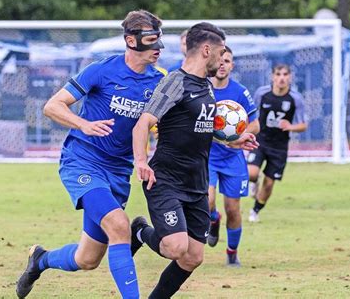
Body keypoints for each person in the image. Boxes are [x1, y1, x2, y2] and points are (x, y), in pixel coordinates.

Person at [15, 10, 165, 299]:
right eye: (150, 41)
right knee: (120, 227)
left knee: (87, 259)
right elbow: (53, 106)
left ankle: (40, 260)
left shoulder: (159, 81)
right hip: (83, 161)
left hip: (119, 171)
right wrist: (84, 123)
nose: (157, 48)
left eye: (159, 41)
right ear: (131, 41)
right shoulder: (101, 70)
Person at [130, 22, 258, 298]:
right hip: (166, 179)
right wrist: (141, 161)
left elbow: (199, 127)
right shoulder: (176, 82)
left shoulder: (206, 86)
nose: (223, 60)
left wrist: (232, 140)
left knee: (193, 257)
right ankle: (140, 231)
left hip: (196, 183)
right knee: (175, 248)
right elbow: (143, 123)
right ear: (207, 50)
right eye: (221, 53)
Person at [206, 46, 260, 266]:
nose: (222, 64)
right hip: (208, 157)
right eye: (220, 60)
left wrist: (244, 134)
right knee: (207, 202)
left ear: (232, 65)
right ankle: (213, 220)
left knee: (233, 209)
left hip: (232, 159)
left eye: (227, 61)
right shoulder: (203, 89)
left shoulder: (240, 92)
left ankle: (232, 253)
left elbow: (255, 123)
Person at [247, 64, 308, 223]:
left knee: (268, 185)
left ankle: (255, 210)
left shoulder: (295, 98)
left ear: (290, 77)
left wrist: (290, 126)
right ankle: (254, 183)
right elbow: (251, 114)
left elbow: (303, 125)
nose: (282, 78)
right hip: (260, 141)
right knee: (251, 173)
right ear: (273, 77)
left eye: (285, 74)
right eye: (278, 74)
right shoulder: (262, 93)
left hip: (279, 147)